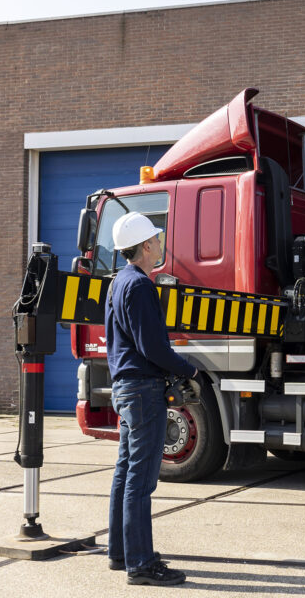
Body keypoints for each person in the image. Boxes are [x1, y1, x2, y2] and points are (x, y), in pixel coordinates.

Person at [105, 211, 198, 586]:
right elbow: (153, 347)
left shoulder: (117, 282)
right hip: (143, 392)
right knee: (141, 482)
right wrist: (189, 369)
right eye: (156, 239)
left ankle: (120, 553)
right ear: (145, 246)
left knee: (125, 473)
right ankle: (141, 565)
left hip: (126, 390)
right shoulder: (141, 285)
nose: (160, 243)